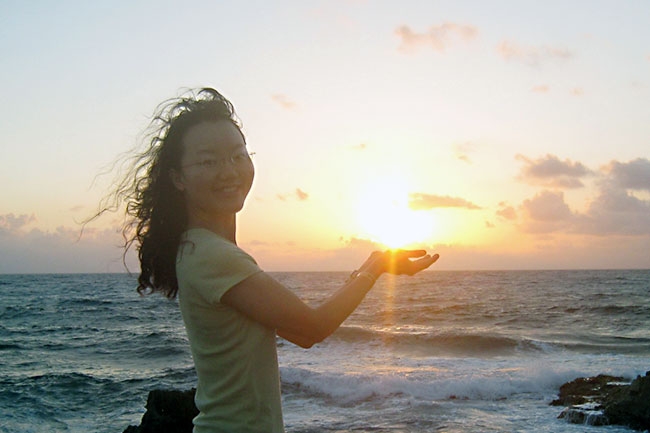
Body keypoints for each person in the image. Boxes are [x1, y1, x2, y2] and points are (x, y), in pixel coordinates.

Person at [104, 87, 438, 432]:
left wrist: (370, 267)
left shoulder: (200, 249)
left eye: (237, 155)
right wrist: (376, 266)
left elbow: (297, 329)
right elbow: (312, 328)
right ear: (178, 178)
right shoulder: (212, 255)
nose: (229, 171)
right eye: (208, 161)